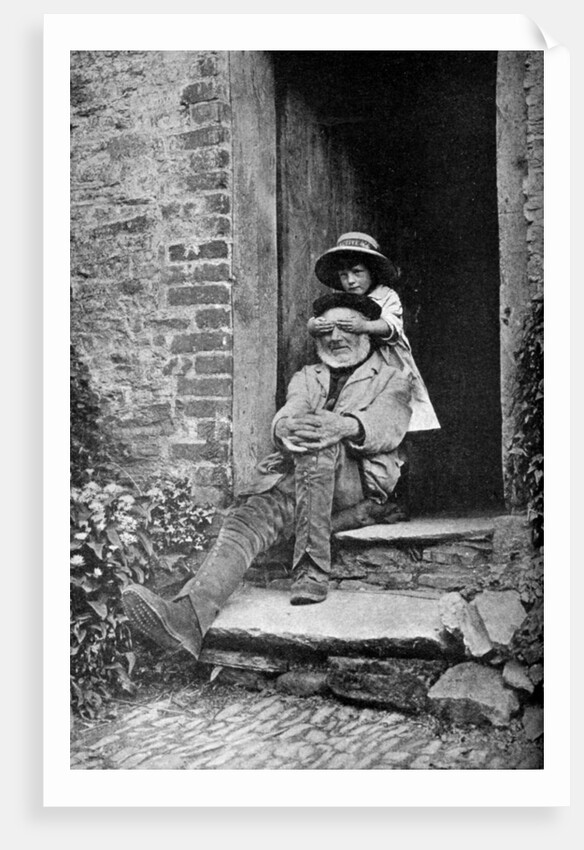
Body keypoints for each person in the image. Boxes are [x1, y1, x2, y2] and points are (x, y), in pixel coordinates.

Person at [122, 291, 414, 661]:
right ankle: (188, 619)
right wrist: (287, 428)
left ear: (366, 333)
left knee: (319, 442)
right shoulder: (309, 376)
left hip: (355, 479)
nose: (336, 338)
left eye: (345, 328)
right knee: (248, 517)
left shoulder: (392, 378)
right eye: (327, 331)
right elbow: (290, 410)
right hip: (300, 478)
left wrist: (339, 426)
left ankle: (311, 573)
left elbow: (386, 425)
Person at [309, 232, 440, 433]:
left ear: (372, 272)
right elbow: (322, 317)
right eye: (344, 275)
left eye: (357, 272)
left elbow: (392, 326)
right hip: (356, 363)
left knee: (395, 412)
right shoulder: (341, 299)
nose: (350, 281)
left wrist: (365, 326)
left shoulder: (386, 296)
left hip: (386, 360)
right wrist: (314, 326)